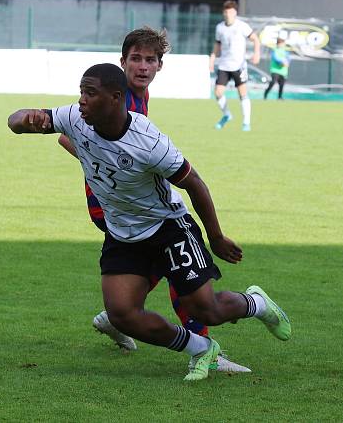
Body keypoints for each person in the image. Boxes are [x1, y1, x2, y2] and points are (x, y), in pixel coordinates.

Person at [8, 63, 292, 380]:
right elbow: (21, 120)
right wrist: (22, 120)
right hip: (123, 233)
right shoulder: (76, 117)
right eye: (81, 92)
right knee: (122, 314)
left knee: (205, 309)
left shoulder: (149, 142)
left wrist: (216, 237)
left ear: (115, 98)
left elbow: (194, 183)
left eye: (90, 93)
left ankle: (255, 303)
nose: (82, 100)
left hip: (167, 228)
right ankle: (201, 348)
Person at [58, 28, 251, 373]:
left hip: (129, 204)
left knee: (154, 266)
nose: (142, 67)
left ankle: (118, 318)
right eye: (136, 59)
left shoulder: (134, 98)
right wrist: (109, 166)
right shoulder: (117, 99)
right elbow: (66, 137)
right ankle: (202, 348)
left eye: (150, 60)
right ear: (123, 62)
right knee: (176, 271)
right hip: (114, 205)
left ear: (161, 65)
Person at [210, 0, 260, 132]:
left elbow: (255, 39)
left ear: (235, 13)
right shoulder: (220, 27)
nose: (228, 14)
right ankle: (227, 115)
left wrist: (256, 53)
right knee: (218, 92)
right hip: (224, 65)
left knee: (242, 93)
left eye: (231, 12)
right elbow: (217, 45)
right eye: (226, 12)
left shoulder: (242, 26)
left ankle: (246, 123)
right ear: (223, 13)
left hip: (239, 66)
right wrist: (212, 59)